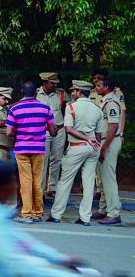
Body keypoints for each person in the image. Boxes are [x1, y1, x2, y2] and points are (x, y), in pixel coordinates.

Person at [47, 80, 104, 226]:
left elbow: (68, 129)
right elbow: (99, 133)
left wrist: (85, 138)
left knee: (65, 181)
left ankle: (56, 214)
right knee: (89, 181)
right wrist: (94, 143)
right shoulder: (97, 108)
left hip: (76, 146)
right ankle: (85, 217)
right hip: (93, 148)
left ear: (79, 92)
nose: (72, 93)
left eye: (74, 91)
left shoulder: (71, 107)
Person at [6, 81, 56, 223]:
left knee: (25, 181)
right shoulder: (45, 108)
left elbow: (9, 132)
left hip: (21, 149)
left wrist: (22, 130)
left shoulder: (14, 109)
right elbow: (52, 131)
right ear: (36, 93)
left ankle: (27, 213)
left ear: (23, 92)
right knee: (37, 181)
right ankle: (38, 212)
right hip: (39, 149)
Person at [89, 69, 126, 200]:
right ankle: (103, 209)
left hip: (109, 141)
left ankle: (113, 212)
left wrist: (104, 148)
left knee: (108, 178)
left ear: (106, 87)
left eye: (99, 86)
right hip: (103, 141)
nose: (96, 88)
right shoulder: (104, 100)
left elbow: (114, 126)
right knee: (103, 178)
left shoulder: (111, 101)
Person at [36, 72, 67, 198]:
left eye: (55, 84)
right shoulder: (36, 94)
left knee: (57, 159)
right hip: (43, 130)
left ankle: (52, 187)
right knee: (43, 160)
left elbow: (68, 107)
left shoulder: (61, 93)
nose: (55, 85)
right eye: (52, 83)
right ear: (44, 83)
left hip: (59, 129)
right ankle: (40, 189)